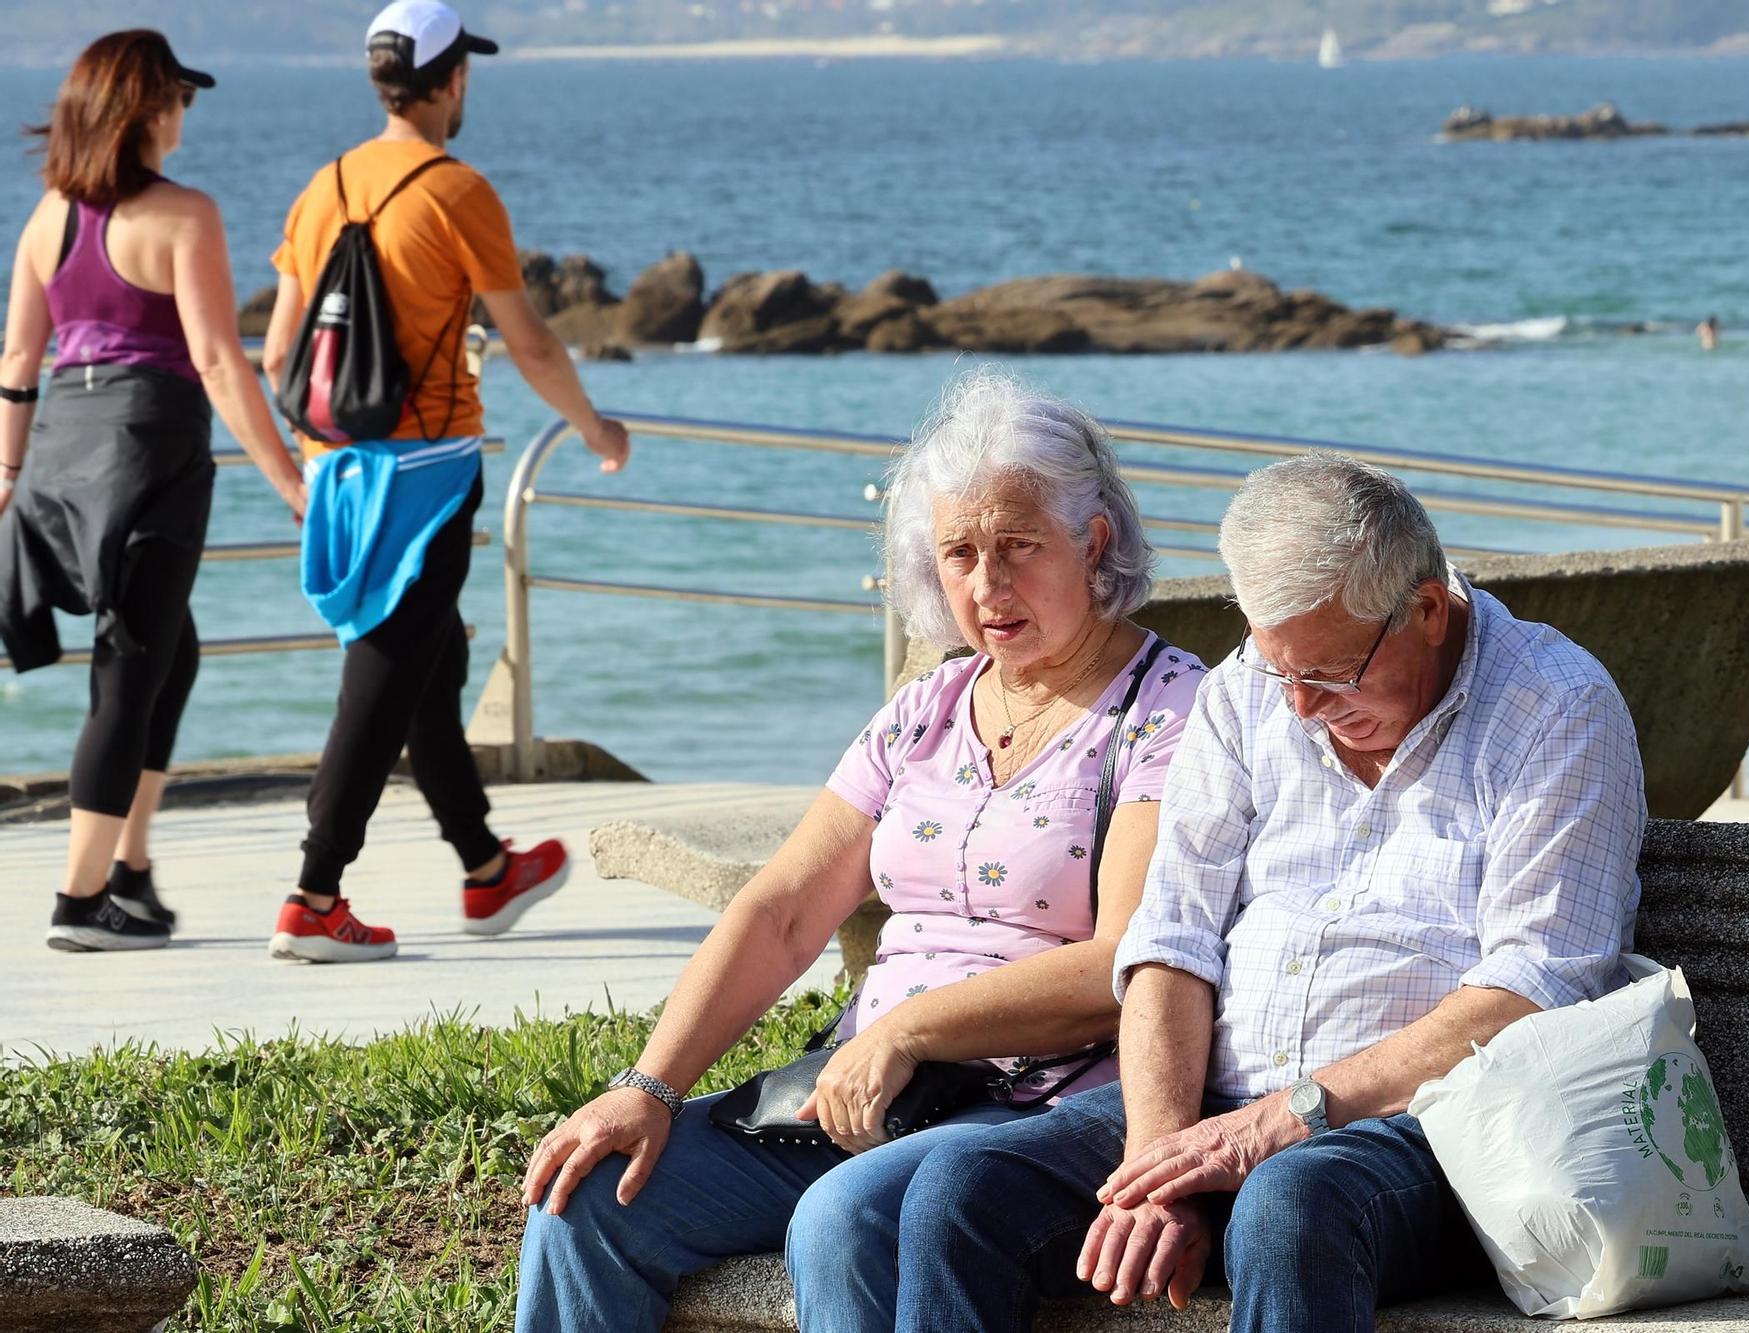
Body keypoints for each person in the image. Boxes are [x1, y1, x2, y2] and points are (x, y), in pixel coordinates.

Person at [512, 372, 1209, 1333]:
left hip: (1030, 1108)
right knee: (590, 1193)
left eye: (1018, 546)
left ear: (1093, 543)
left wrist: (905, 1030)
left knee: (848, 1218)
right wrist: (648, 1085)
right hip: (857, 1092)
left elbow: (1123, 962)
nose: (987, 584)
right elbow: (783, 909)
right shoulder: (926, 708)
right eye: (959, 552)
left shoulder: (1168, 711)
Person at [886, 453, 1648, 1332]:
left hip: (1437, 1128)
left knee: (1288, 1203)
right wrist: (1161, 1167)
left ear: (1427, 611)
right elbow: (1173, 940)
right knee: (961, 1192)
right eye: (1278, 667)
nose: (1299, 708)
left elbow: (1528, 995)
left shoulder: (1557, 708)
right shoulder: (1249, 689)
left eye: (1328, 674)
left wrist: (1285, 1121)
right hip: (1220, 1104)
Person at [257, 1, 631, 962]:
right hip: (426, 471)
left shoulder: (324, 186)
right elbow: (533, 341)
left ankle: (485, 866)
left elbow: (279, 359)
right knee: (384, 673)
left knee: (430, 663)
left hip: (339, 469)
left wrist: (318, 465)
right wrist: (596, 429)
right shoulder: (456, 190)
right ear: (451, 79)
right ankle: (314, 893)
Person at [0, 31, 309, 952]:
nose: (186, 115)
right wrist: (290, 477)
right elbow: (218, 361)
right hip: (151, 455)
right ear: (146, 109)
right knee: (128, 671)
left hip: (62, 450)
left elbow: (19, 361)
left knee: (171, 655)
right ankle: (79, 897)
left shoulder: (48, 215)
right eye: (180, 97)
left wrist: (9, 480)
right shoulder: (185, 215)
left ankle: (129, 867)